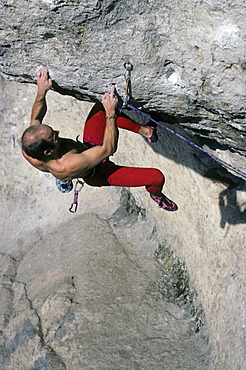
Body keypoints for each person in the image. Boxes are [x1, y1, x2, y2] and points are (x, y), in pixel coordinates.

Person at [21, 66, 178, 211]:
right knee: (156, 178)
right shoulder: (68, 165)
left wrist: (41, 91)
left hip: (86, 149)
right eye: (54, 136)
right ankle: (157, 196)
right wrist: (110, 112)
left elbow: (36, 118)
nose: (58, 131)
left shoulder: (30, 147)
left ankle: (146, 132)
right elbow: (108, 149)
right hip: (99, 172)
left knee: (99, 108)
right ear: (48, 152)